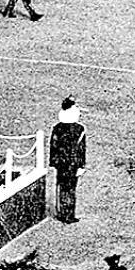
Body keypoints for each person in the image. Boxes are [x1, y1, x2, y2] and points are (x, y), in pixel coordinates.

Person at [48, 96, 87, 224]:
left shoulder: (57, 128)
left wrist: (53, 162)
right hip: (73, 163)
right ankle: (69, 214)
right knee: (70, 188)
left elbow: (53, 146)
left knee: (61, 186)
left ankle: (62, 212)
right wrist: (81, 165)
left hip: (61, 163)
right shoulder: (79, 129)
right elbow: (81, 149)